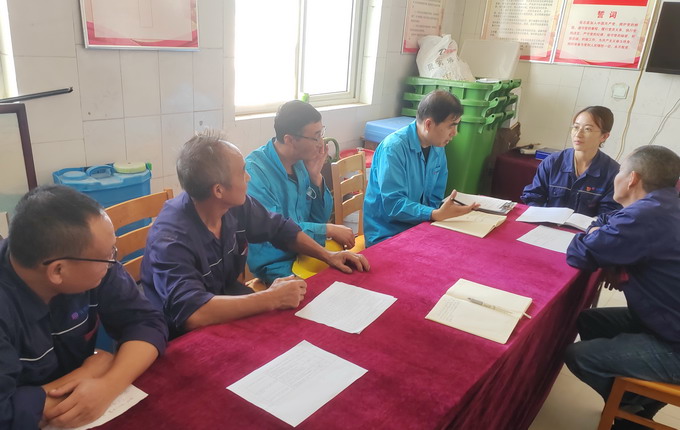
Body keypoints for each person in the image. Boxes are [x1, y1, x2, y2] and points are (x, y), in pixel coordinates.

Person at [141, 130, 370, 338]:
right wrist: (271, 297)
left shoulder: (235, 205)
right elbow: (192, 313)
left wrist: (329, 256)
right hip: (180, 334)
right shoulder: (170, 239)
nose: (248, 178)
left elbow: (280, 228)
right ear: (218, 190)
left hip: (229, 298)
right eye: (242, 172)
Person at [0, 185, 168, 430]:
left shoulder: (92, 265)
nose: (114, 261)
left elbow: (147, 323)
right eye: (108, 255)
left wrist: (109, 384)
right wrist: (87, 372)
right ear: (58, 271)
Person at [564, 145, 680, 429]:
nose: (615, 177)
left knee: (580, 356)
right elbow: (608, 221)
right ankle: (638, 404)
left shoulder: (645, 216)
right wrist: (603, 238)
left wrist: (595, 236)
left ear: (632, 179)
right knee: (589, 320)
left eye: (619, 171)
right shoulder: (664, 205)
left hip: (674, 342)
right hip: (664, 320)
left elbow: (580, 254)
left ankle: (632, 412)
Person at [245, 100, 355, 284]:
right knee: (326, 290)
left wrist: (315, 177)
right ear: (289, 139)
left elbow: (319, 218)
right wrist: (327, 229)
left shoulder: (301, 162)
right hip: (278, 263)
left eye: (322, 133)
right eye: (316, 137)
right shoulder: (255, 173)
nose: (321, 143)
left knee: (353, 276)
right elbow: (277, 231)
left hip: (310, 252)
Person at [363, 89, 479, 247]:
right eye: (451, 126)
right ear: (429, 124)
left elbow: (435, 196)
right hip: (388, 235)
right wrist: (434, 214)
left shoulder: (437, 147)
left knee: (465, 246)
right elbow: (394, 204)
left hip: (420, 228)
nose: (455, 133)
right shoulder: (393, 149)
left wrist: (442, 212)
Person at [521, 106, 622, 216]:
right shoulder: (553, 162)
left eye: (588, 129)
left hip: (587, 227)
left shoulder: (613, 172)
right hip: (547, 223)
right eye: (576, 127)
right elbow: (534, 196)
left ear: (604, 136)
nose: (578, 134)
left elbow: (608, 213)